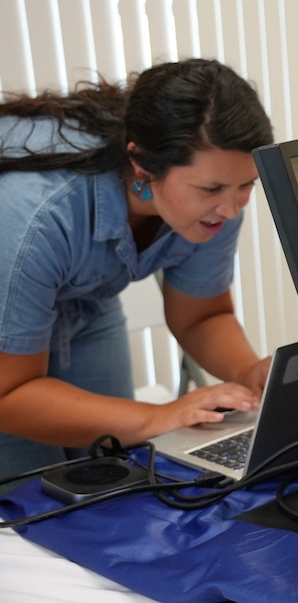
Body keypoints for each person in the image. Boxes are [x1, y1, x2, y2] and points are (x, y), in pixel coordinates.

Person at [0, 58, 274, 488]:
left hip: (83, 305)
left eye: (247, 186)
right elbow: (8, 393)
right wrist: (158, 417)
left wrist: (249, 373)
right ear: (142, 166)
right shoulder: (39, 215)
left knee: (105, 473)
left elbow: (201, 317)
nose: (232, 208)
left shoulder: (219, 203)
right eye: (211, 189)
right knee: (31, 494)